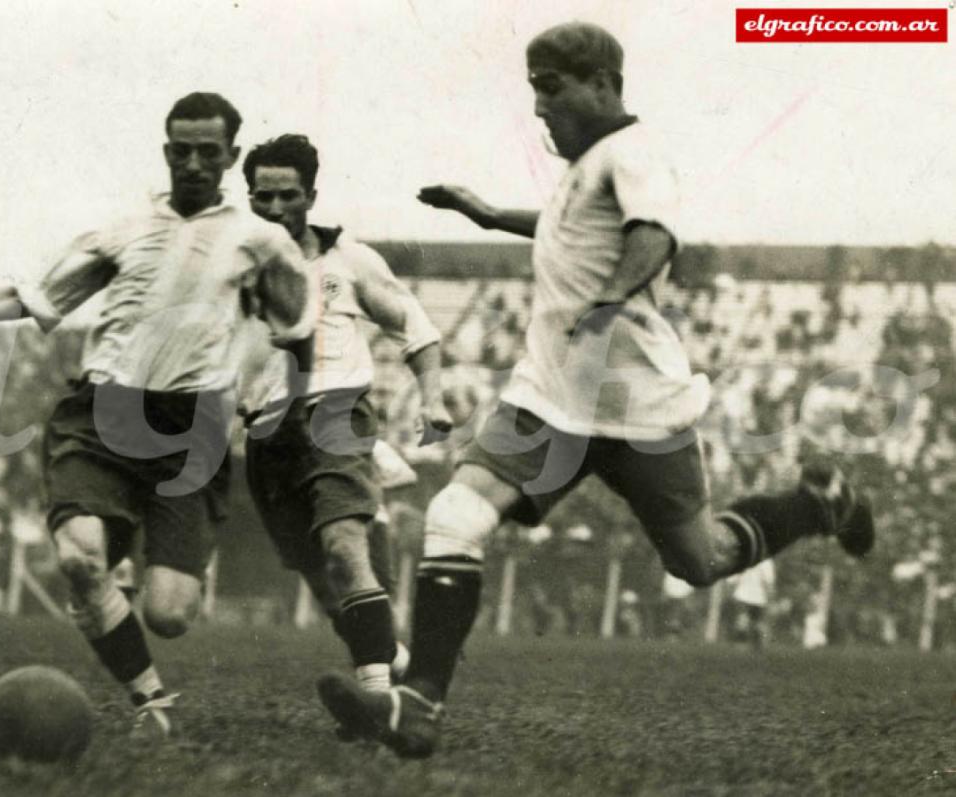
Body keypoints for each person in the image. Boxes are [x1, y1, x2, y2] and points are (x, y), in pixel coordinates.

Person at [316, 21, 874, 758]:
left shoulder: (634, 153)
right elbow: (560, 228)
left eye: (551, 87)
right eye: (534, 90)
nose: (540, 107)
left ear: (604, 83)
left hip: (638, 408)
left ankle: (815, 505)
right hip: (549, 403)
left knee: (699, 560)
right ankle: (418, 704)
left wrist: (608, 302)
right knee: (453, 513)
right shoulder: (587, 170)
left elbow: (654, 236)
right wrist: (486, 214)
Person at [0, 92, 318, 738]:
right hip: (101, 413)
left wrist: (291, 411)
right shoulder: (122, 231)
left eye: (207, 152)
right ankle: (150, 699)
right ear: (165, 152)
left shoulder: (262, 243)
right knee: (78, 559)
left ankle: (124, 572)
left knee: (172, 613)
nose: (192, 163)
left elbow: (298, 330)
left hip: (194, 434)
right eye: (180, 150)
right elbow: (32, 298)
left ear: (230, 157)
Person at [238, 134, 451, 716]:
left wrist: (431, 398)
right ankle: (397, 665)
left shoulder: (348, 260)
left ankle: (382, 708)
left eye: (287, 195)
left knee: (341, 548)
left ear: (311, 194)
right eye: (262, 196)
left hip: (336, 410)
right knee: (324, 581)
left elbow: (417, 328)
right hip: (263, 431)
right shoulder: (233, 265)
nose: (275, 208)